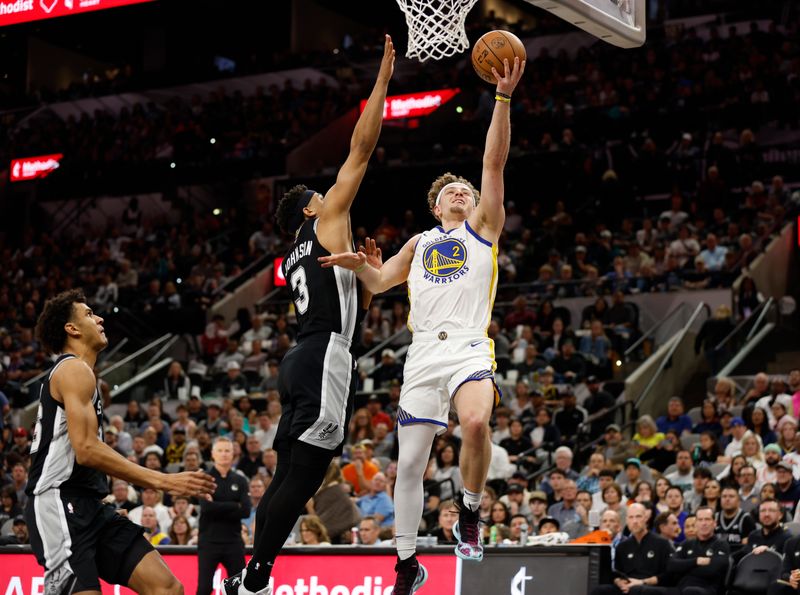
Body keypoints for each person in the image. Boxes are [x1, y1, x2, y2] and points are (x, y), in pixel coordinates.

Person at [319, 53, 525, 594]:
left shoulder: (483, 229)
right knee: (407, 468)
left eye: (466, 192)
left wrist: (501, 99)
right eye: (449, 193)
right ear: (436, 207)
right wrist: (356, 261)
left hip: (467, 347)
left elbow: (494, 164)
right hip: (422, 355)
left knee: (476, 424)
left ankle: (471, 508)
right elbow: (379, 283)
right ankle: (407, 563)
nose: (461, 194)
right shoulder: (419, 242)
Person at [223, 38, 395, 595]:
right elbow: (361, 149)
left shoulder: (298, 250)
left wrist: (366, 281)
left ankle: (253, 572)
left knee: (289, 475)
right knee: (302, 479)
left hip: (302, 357)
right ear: (309, 207)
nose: (331, 194)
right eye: (322, 194)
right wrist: (383, 82)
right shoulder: (324, 219)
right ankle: (257, 578)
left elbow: (356, 303)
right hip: (324, 354)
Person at [27, 290, 215, 595]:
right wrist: (163, 481)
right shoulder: (72, 369)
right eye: (88, 314)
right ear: (71, 329)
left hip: (92, 505)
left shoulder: (88, 376)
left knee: (167, 588)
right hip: (58, 503)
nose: (99, 318)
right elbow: (86, 450)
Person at [197, 437, 251, 595]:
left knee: (238, 589)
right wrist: (235, 505)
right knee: (204, 588)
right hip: (209, 542)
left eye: (227, 450)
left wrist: (217, 505)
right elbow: (206, 508)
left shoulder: (240, 480)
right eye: (220, 450)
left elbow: (246, 511)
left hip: (233, 542)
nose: (224, 454)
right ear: (213, 454)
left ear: (233, 453)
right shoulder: (205, 479)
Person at [590, 503, 673, 595]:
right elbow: (616, 574)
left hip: (650, 587)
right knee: (600, 590)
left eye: (638, 517)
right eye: (631, 517)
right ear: (626, 521)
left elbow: (668, 575)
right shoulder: (622, 547)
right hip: (628, 586)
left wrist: (642, 582)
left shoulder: (662, 543)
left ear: (646, 518)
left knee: (636, 590)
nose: (635, 521)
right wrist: (619, 582)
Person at [668, 506, 730, 595]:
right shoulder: (687, 544)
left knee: (690, 591)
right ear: (696, 523)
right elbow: (671, 565)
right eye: (700, 520)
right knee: (645, 590)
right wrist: (696, 561)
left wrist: (683, 567)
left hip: (707, 589)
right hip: (681, 588)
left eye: (707, 519)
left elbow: (713, 570)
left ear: (714, 523)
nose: (703, 523)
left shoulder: (721, 545)